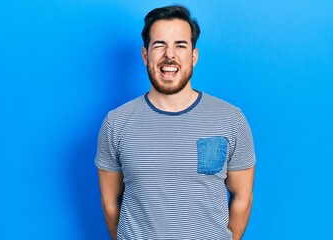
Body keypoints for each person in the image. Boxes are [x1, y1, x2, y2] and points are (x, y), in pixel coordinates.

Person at [95, 5, 255, 240]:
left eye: (180, 45)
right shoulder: (116, 123)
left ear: (194, 56)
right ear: (145, 55)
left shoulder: (230, 119)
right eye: (159, 44)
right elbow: (110, 202)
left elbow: (243, 196)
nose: (170, 54)